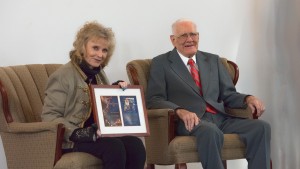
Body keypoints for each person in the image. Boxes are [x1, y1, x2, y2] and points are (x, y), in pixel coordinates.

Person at [146, 18, 271, 169]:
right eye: (183, 36)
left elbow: (229, 94)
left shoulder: (213, 60)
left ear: (198, 36)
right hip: (190, 121)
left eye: (193, 34)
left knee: (261, 127)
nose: (190, 39)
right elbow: (154, 99)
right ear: (173, 40)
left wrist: (248, 98)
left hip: (220, 118)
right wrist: (180, 111)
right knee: (211, 132)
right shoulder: (161, 63)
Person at [41, 21, 146, 169]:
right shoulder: (62, 76)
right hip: (71, 139)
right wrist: (80, 133)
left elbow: (101, 105)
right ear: (82, 47)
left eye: (104, 50)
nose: (100, 55)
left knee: (135, 145)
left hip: (98, 133)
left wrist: (116, 90)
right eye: (95, 48)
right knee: (113, 147)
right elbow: (49, 116)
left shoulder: (99, 73)